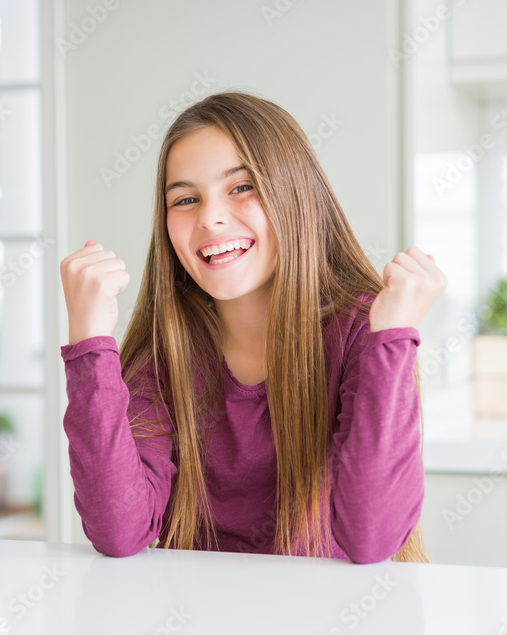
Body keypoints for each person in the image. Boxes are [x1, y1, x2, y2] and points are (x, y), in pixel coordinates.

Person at [59, 91, 447, 563]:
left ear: (296, 195)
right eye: (185, 199)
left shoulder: (361, 329)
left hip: (335, 610)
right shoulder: (165, 351)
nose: (210, 218)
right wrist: (89, 339)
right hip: (192, 609)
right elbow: (119, 531)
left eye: (241, 187)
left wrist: (393, 338)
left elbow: (372, 538)